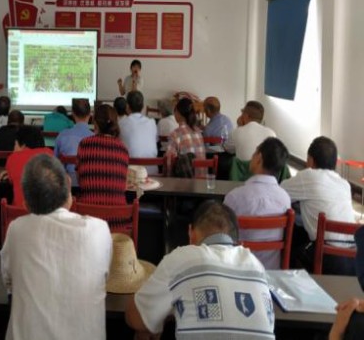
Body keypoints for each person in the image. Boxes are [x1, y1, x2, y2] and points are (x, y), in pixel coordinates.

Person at [1, 154, 112, 340]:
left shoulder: (17, 229)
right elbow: (104, 278)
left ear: (25, 204)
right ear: (68, 186)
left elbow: (8, 281)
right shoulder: (99, 230)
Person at [126, 201, 275, 339]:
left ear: (191, 233)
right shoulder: (256, 264)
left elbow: (136, 319)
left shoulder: (182, 258)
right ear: (238, 242)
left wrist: (162, 315)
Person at [281, 136, 355, 274]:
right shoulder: (344, 184)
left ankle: (287, 280)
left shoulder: (308, 176)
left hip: (328, 258)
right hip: (353, 258)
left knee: (291, 244)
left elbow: (279, 192)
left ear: (311, 160)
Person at [224, 137, 291, 269]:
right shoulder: (285, 199)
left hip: (240, 269)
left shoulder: (234, 197)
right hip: (272, 271)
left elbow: (224, 238)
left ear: (259, 158)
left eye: (254, 153)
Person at [77, 104, 129, 216]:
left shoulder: (84, 144)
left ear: (95, 123)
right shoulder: (123, 148)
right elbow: (123, 185)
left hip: (88, 218)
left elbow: (79, 179)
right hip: (117, 219)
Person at [1, 125, 52, 206]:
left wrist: (9, 173)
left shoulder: (13, 158)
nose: (13, 149)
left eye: (15, 144)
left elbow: (12, 179)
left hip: (19, 212)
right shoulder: (50, 154)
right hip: (49, 212)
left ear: (23, 145)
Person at [54, 98, 93, 181]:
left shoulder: (62, 136)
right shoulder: (95, 138)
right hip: (88, 182)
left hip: (66, 182)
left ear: (73, 114)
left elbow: (55, 163)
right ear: (90, 114)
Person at [119, 91, 158, 170]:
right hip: (152, 172)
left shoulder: (121, 123)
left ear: (127, 106)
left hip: (130, 173)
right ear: (143, 106)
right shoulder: (152, 123)